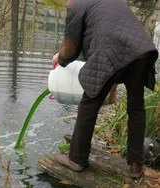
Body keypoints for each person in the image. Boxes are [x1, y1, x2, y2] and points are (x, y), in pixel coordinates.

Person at [53, 0, 158, 179]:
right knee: (136, 109)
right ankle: (136, 165)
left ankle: (77, 160)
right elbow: (117, 43)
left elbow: (70, 49)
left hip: (111, 52)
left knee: (88, 105)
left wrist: (60, 59)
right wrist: (112, 89)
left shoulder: (76, 7)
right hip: (141, 51)